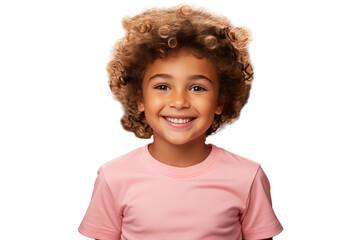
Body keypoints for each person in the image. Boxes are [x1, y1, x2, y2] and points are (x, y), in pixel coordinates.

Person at [78, 4, 283, 240]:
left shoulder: (247, 176)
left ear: (220, 101)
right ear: (139, 98)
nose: (179, 101)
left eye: (197, 88)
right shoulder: (114, 177)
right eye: (162, 87)